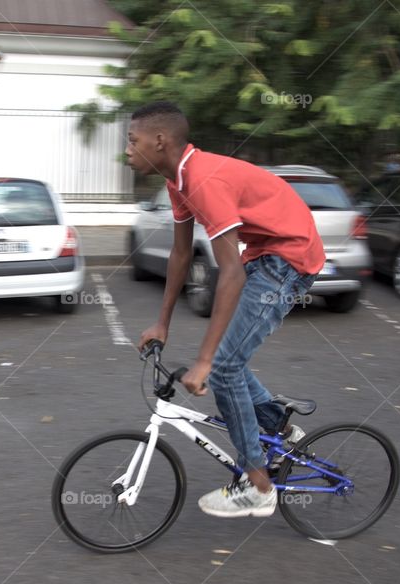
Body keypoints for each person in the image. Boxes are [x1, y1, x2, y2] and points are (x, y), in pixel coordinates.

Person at [127, 101, 324, 518]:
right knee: (226, 360)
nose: (127, 150)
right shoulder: (177, 181)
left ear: (160, 141)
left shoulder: (203, 180)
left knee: (223, 367)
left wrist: (203, 361)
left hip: (288, 260)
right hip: (266, 255)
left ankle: (258, 486)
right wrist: (161, 322)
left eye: (132, 140)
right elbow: (181, 254)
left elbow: (229, 272)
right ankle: (278, 425)